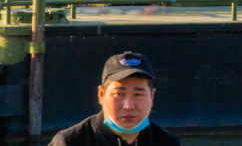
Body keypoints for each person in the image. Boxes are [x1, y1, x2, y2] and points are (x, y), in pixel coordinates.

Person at [49, 51, 179, 145]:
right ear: (101, 94)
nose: (128, 105)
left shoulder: (167, 142)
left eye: (138, 94)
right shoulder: (70, 142)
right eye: (119, 94)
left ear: (152, 96)